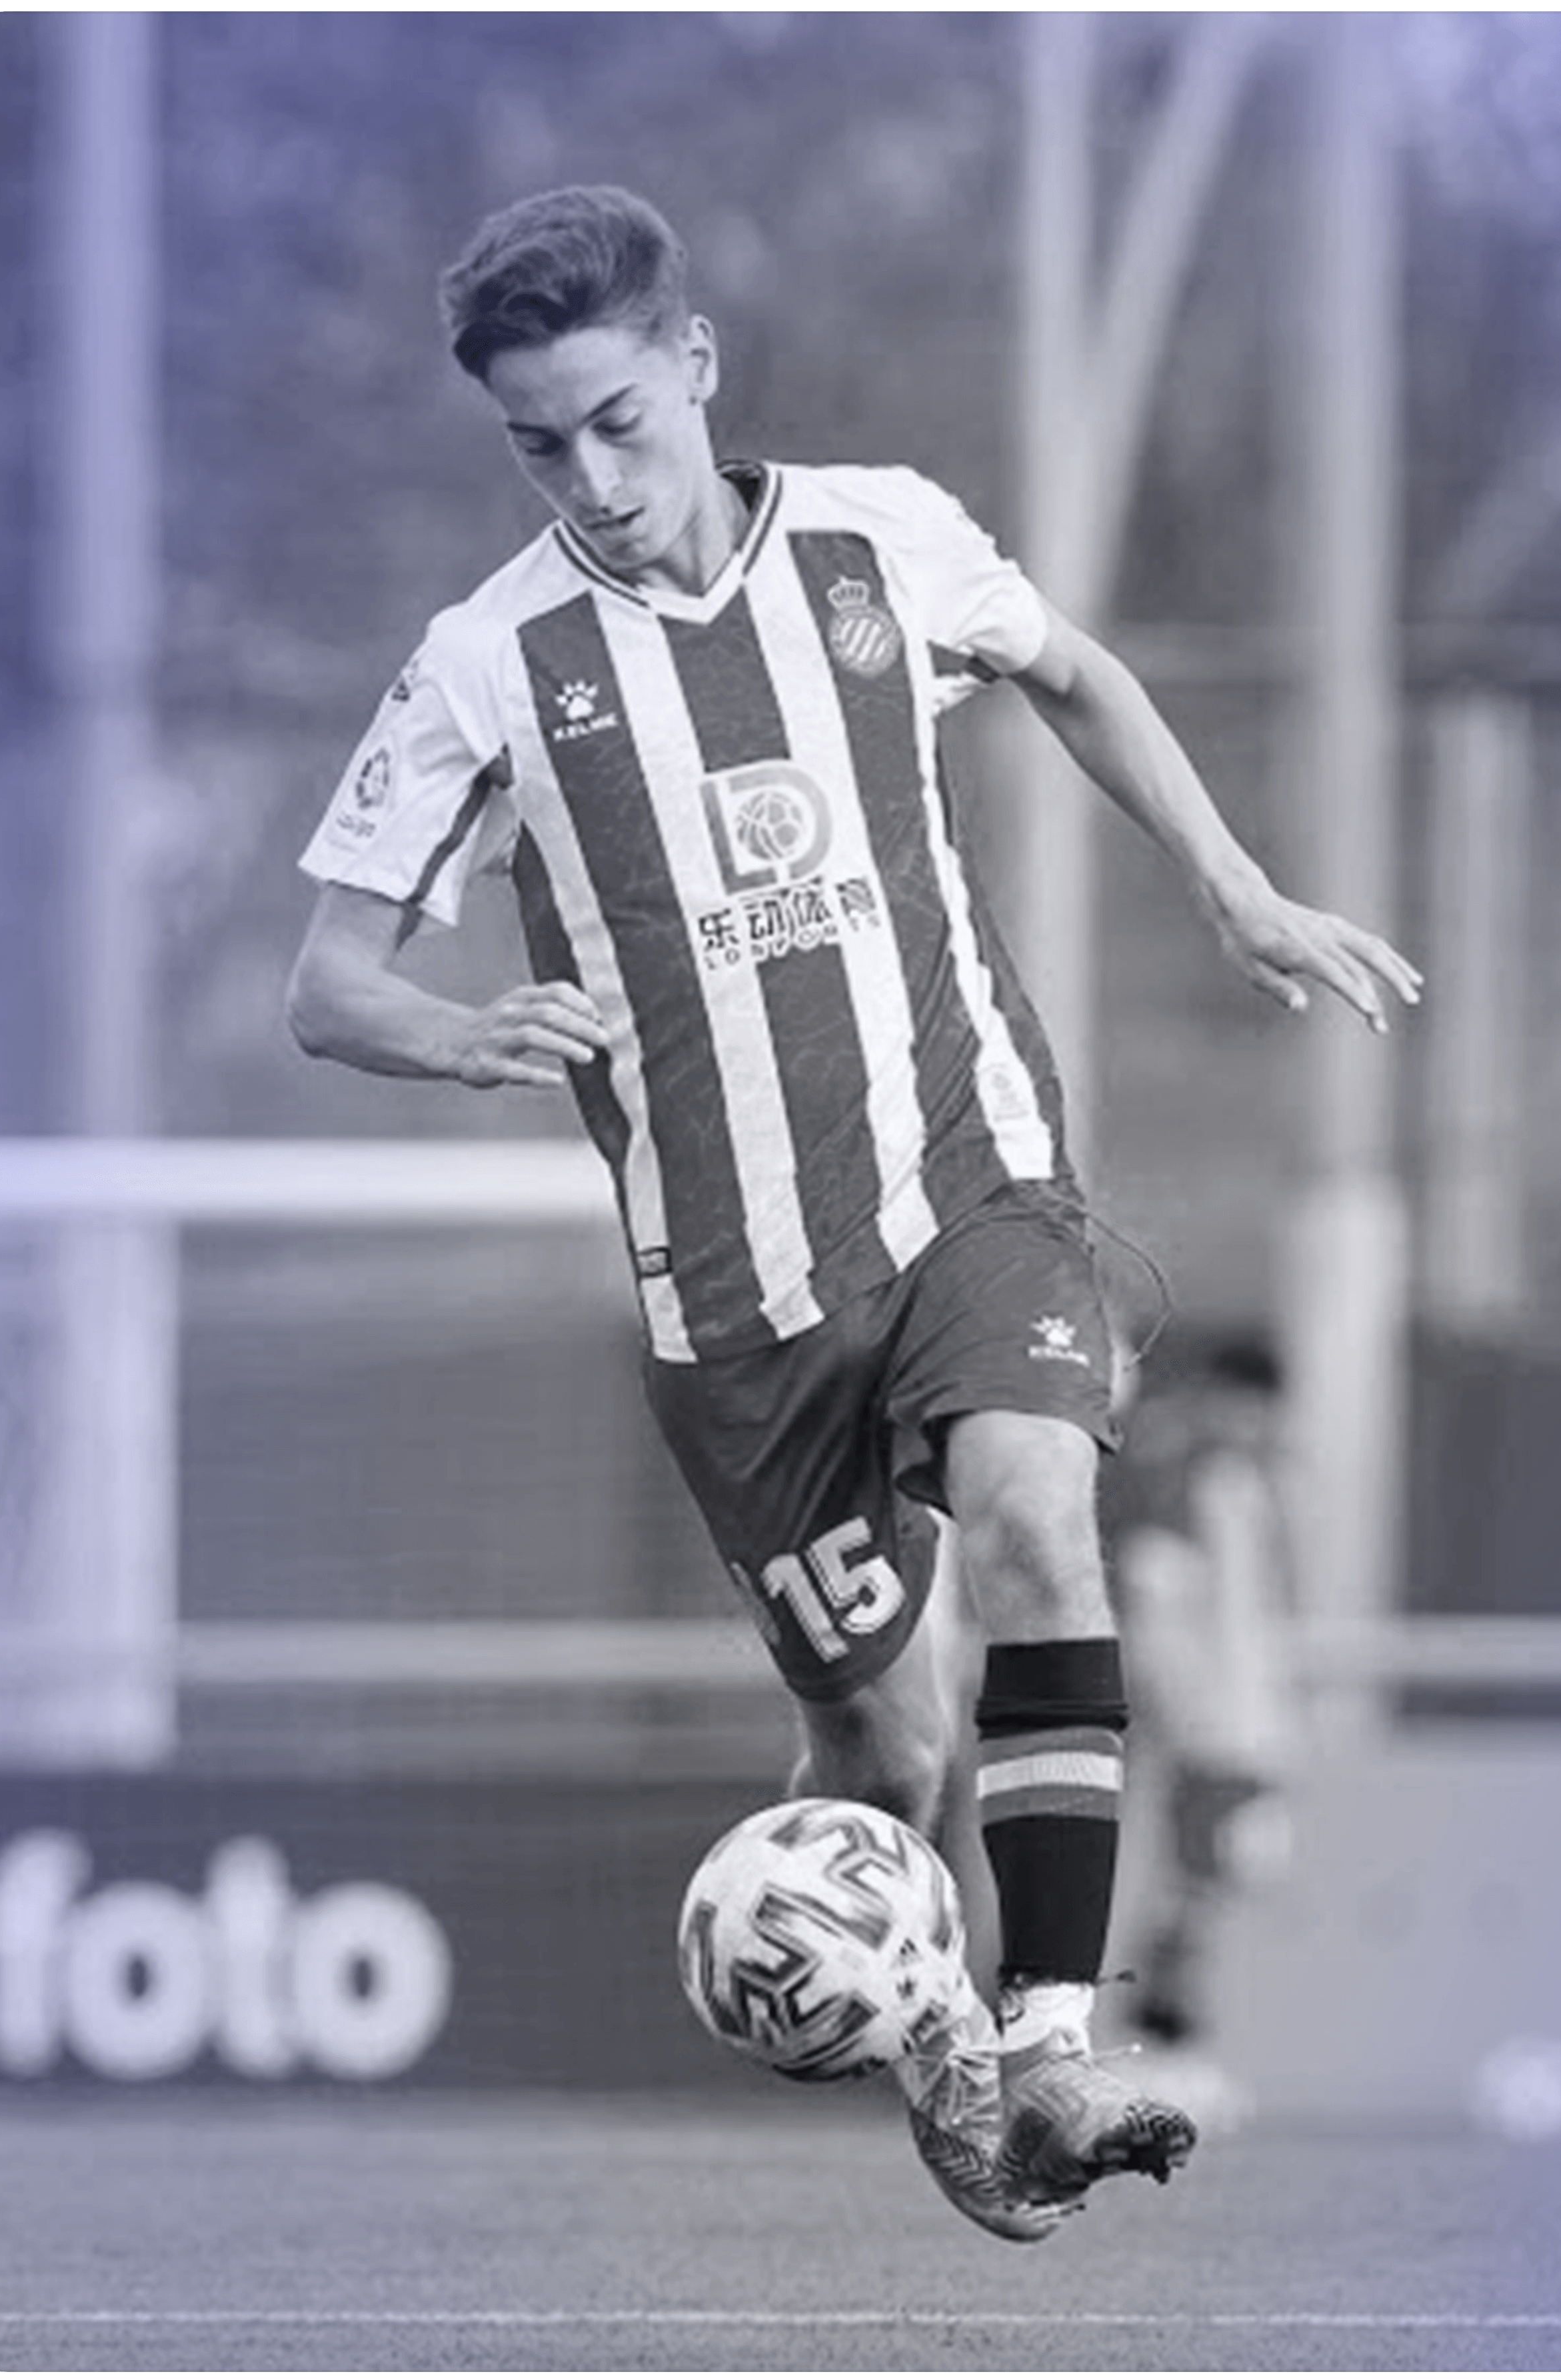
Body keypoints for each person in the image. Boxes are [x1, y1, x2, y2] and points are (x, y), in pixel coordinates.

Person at [287, 185, 1419, 2243]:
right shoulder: (485, 664)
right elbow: (326, 975)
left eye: (618, 419)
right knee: (880, 1753)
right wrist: (450, 1035)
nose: (592, 478)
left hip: (973, 1183)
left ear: (697, 363)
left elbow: (1073, 671)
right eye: (540, 445)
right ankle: (953, 2073)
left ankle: (1057, 2028)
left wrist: (1236, 884)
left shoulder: (880, 535)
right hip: (738, 1314)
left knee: (1037, 1517)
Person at [1108, 1329, 1304, 2135]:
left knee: (1213, 1886)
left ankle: (1170, 2051)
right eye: (1244, 1405)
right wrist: (1187, 1719)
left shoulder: (1251, 1484)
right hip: (1212, 1728)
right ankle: (1162, 2057)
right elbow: (1155, 1606)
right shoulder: (1186, 1477)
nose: (1252, 1422)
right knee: (1193, 1891)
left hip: (1248, 1726)